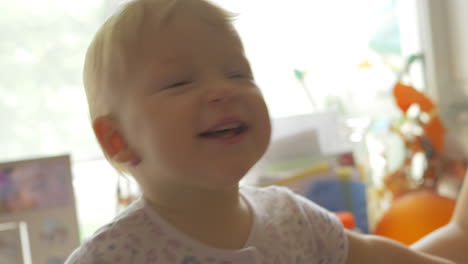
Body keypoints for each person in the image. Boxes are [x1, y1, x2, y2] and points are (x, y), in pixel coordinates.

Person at [66, 0, 468, 263]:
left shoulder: (292, 218)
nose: (222, 89)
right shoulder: (112, 256)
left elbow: (376, 257)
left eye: (239, 73)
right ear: (118, 141)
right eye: (179, 82)